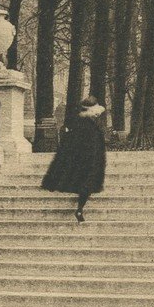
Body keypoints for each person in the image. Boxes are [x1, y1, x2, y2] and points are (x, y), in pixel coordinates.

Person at [41, 95, 107, 223]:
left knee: (85, 184)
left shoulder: (78, 123)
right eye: (94, 112)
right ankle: (79, 209)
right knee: (87, 184)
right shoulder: (90, 127)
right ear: (90, 111)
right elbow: (93, 146)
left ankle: (80, 209)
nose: (96, 115)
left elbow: (68, 145)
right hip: (89, 162)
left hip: (80, 161)